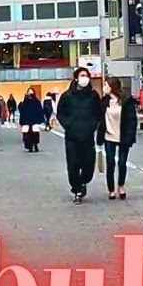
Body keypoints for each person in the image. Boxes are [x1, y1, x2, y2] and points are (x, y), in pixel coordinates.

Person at [56, 67, 101, 203]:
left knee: (88, 163)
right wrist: (68, 124)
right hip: (72, 136)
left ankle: (83, 182)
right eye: (82, 75)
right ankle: (76, 189)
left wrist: (93, 125)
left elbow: (98, 113)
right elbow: (60, 113)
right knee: (73, 164)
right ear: (76, 78)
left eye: (86, 75)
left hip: (88, 135)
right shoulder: (67, 96)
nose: (84, 78)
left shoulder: (93, 96)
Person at [96, 78, 138, 200]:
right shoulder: (104, 102)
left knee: (122, 163)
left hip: (123, 136)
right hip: (108, 136)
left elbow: (132, 120)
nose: (104, 88)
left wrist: (130, 136)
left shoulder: (126, 101)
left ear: (112, 87)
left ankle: (121, 185)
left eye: (106, 86)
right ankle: (111, 189)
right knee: (110, 163)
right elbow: (99, 120)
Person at [17, 88, 45, 152]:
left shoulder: (36, 101)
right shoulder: (25, 102)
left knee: (35, 133)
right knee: (28, 134)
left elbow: (39, 110)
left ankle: (35, 145)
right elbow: (23, 111)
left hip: (34, 120)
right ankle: (30, 146)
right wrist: (22, 121)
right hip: (27, 121)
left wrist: (40, 119)